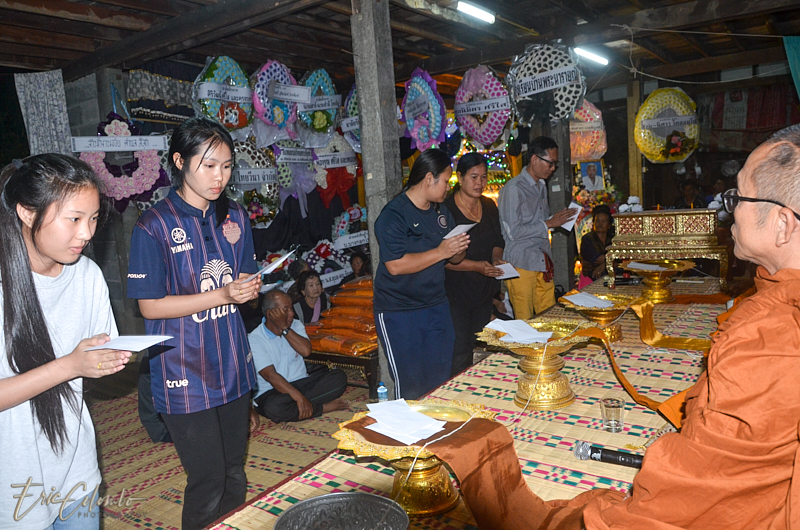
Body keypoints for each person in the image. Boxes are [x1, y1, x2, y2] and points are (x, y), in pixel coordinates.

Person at [443, 124, 800, 529]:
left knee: (482, 458)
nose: (727, 209)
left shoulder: (768, 336)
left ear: (783, 224)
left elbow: (693, 487)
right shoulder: (770, 307)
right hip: (521, 264)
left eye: (738, 197)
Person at [127, 117, 261, 530]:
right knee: (208, 480)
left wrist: (248, 288)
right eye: (209, 165)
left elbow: (244, 275)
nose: (219, 177)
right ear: (179, 161)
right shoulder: (153, 226)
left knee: (235, 473)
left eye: (227, 166)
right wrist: (223, 295)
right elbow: (150, 307)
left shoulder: (235, 216)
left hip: (232, 361)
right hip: (183, 370)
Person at [0, 155, 132, 528]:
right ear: (27, 213)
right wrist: (70, 365)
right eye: (74, 219)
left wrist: (105, 360)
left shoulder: (86, 275)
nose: (87, 233)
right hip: (13, 478)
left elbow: (91, 363)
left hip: (76, 467)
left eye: (93, 218)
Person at [373, 148, 469, 399]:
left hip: (435, 305)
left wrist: (457, 249)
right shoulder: (394, 215)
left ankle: (434, 423)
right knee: (411, 386)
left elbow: (453, 259)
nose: (448, 188)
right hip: (399, 310)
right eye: (446, 181)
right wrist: (440, 251)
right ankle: (407, 426)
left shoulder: (441, 213)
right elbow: (395, 265)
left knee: (439, 381)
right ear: (429, 178)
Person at [498, 137, 578, 320]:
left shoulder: (541, 185)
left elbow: (538, 222)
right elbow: (514, 232)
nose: (553, 168)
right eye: (550, 163)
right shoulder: (514, 188)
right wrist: (549, 224)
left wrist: (558, 220)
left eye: (555, 164)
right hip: (521, 263)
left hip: (541, 259)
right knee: (525, 319)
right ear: (534, 159)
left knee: (548, 316)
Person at [443, 152, 505, 376]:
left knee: (483, 340)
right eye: (474, 177)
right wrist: (477, 266)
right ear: (460, 178)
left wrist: (495, 259)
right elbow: (442, 259)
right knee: (460, 348)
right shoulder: (446, 210)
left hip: (483, 290)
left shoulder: (488, 205)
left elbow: (497, 240)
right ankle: (456, 390)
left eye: (484, 177)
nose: (480, 183)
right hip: (455, 292)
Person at [250, 290, 348, 424]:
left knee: (339, 378)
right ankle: (322, 408)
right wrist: (299, 398)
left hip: (302, 383)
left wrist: (285, 329)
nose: (291, 313)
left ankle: (298, 408)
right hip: (274, 391)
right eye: (286, 309)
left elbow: (306, 351)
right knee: (274, 407)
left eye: (291, 308)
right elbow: (271, 376)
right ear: (271, 314)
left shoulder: (295, 325)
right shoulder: (254, 338)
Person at [579, 205, 614, 283]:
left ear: (609, 225)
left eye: (604, 221)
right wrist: (612, 262)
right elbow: (597, 259)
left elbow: (621, 258)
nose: (600, 224)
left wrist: (604, 265)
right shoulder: (587, 239)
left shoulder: (613, 238)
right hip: (591, 276)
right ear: (593, 223)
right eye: (597, 221)